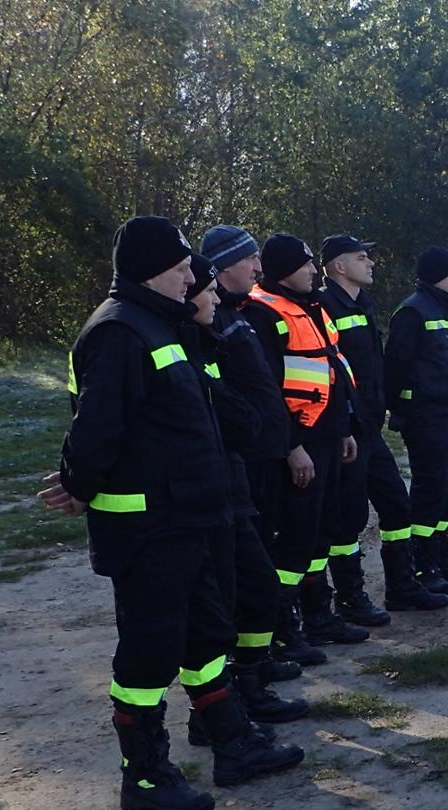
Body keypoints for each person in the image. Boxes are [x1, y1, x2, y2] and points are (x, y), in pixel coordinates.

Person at [41, 216, 301, 810]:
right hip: (148, 527)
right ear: (152, 271)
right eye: (183, 267)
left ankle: (232, 743)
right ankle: (146, 776)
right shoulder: (117, 332)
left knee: (206, 637)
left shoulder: (162, 327)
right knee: (149, 653)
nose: (192, 277)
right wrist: (81, 483)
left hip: (192, 517)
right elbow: (96, 429)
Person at [178, 253, 308, 747]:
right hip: (214, 492)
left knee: (255, 589)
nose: (208, 292)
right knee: (224, 605)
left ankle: (248, 688)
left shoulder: (220, 327)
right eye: (202, 287)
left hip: (232, 484)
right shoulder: (171, 340)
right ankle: (213, 718)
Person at [241, 235, 367, 649]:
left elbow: (331, 369)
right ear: (283, 271)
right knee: (294, 538)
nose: (314, 271)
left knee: (321, 532)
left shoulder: (310, 307)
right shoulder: (263, 313)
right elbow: (268, 392)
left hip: (329, 437)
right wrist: (293, 446)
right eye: (306, 265)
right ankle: (283, 629)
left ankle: (319, 617)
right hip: (299, 445)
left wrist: (344, 427)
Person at [198, 225, 306, 683]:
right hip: (246, 457)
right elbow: (218, 392)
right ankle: (245, 675)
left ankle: (256, 664)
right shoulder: (208, 320)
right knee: (248, 573)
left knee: (260, 564)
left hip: (262, 453)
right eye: (250, 260)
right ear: (224, 265)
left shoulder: (235, 313)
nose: (258, 268)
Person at [315, 234, 409, 625]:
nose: (370, 263)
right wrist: (344, 425)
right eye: (361, 257)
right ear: (339, 266)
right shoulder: (324, 306)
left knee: (397, 505)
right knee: (347, 519)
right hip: (346, 432)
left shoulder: (362, 303)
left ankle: (402, 586)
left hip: (371, 427)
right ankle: (350, 598)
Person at [378, 246, 448, 610]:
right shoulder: (413, 312)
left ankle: (436, 560)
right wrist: (401, 409)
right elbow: (395, 367)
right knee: (429, 490)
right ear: (436, 275)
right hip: (427, 416)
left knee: (446, 488)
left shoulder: (447, 310)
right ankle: (420, 566)